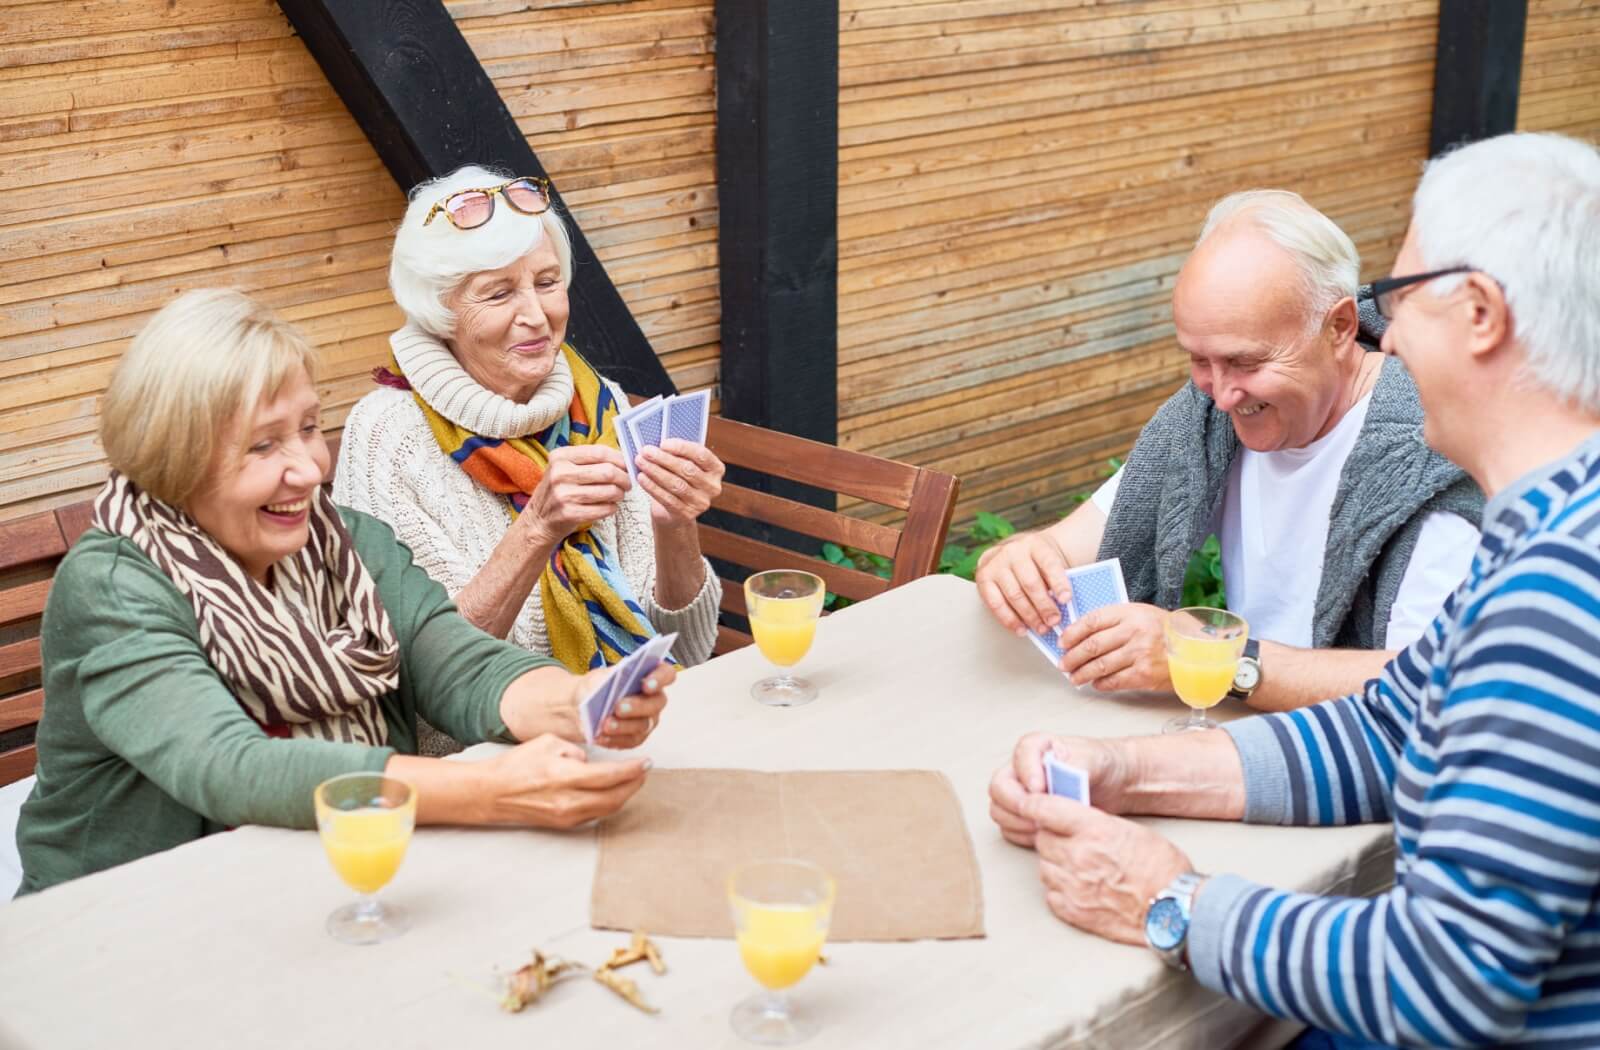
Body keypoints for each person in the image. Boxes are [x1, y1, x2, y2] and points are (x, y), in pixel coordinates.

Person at [990, 132, 1600, 1047]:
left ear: (1479, 313)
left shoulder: (1554, 594)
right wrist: (1131, 770)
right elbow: (1387, 724)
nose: (1390, 336)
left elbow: (1447, 986)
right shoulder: (1552, 529)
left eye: (1398, 301)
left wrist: (1169, 901)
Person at [15, 290, 672, 896]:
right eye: (262, 445)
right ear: (174, 457)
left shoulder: (344, 541)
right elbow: (231, 766)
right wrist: (487, 789)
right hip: (131, 910)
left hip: (330, 875)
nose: (306, 469)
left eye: (308, 428)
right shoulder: (115, 584)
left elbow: (453, 660)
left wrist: (576, 701)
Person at [976, 191, 1482, 711]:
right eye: (1199, 359)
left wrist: (1219, 660)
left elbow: (1426, 685)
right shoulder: (1207, 415)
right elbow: (1065, 547)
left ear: (1339, 327)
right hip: (1242, 724)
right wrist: (1020, 559)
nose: (1220, 394)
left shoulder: (1431, 452)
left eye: (1246, 362)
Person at [335, 167, 722, 755]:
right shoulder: (387, 436)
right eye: (498, 293)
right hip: (487, 760)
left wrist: (675, 525)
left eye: (546, 282)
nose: (537, 316)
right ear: (441, 310)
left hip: (637, 727)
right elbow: (427, 683)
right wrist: (539, 527)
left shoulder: (597, 403)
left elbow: (687, 648)